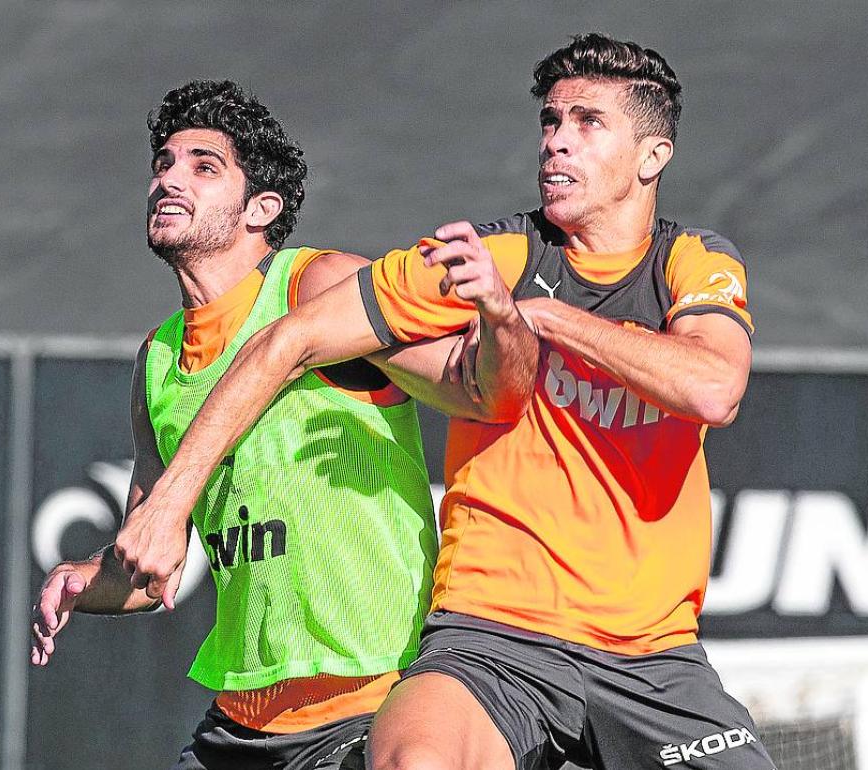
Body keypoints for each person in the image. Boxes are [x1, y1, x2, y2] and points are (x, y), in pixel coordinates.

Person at [115, 34, 777, 770]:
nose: (557, 143)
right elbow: (283, 342)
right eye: (550, 123)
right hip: (491, 641)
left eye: (588, 123)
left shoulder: (691, 259)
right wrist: (169, 503)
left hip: (654, 657)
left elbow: (715, 388)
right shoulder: (491, 253)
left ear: (652, 157)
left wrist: (543, 317)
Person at [29, 79, 537, 770]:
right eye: (163, 164)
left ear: (260, 208)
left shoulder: (319, 286)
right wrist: (83, 579)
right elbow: (154, 566)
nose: (169, 178)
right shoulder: (158, 360)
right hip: (241, 728)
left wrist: (500, 319)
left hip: (373, 706)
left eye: (204, 167)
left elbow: (484, 394)